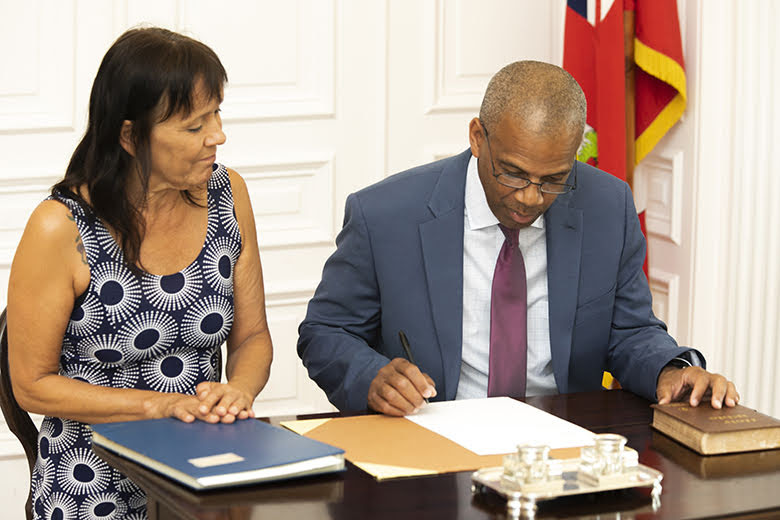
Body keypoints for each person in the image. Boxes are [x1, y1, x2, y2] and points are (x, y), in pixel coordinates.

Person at [297, 60, 738, 417]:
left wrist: (670, 369)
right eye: (512, 172)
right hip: (432, 439)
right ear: (477, 137)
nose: (529, 197)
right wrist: (370, 375)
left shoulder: (607, 206)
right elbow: (324, 332)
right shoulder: (386, 215)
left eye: (553, 179)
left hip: (561, 441)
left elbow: (630, 332)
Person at [7, 28, 273, 519]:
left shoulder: (227, 193)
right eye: (195, 126)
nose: (218, 134)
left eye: (217, 113)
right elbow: (31, 383)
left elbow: (253, 337)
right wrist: (162, 405)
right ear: (130, 136)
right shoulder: (60, 227)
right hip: (94, 479)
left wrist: (239, 389)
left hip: (202, 467)